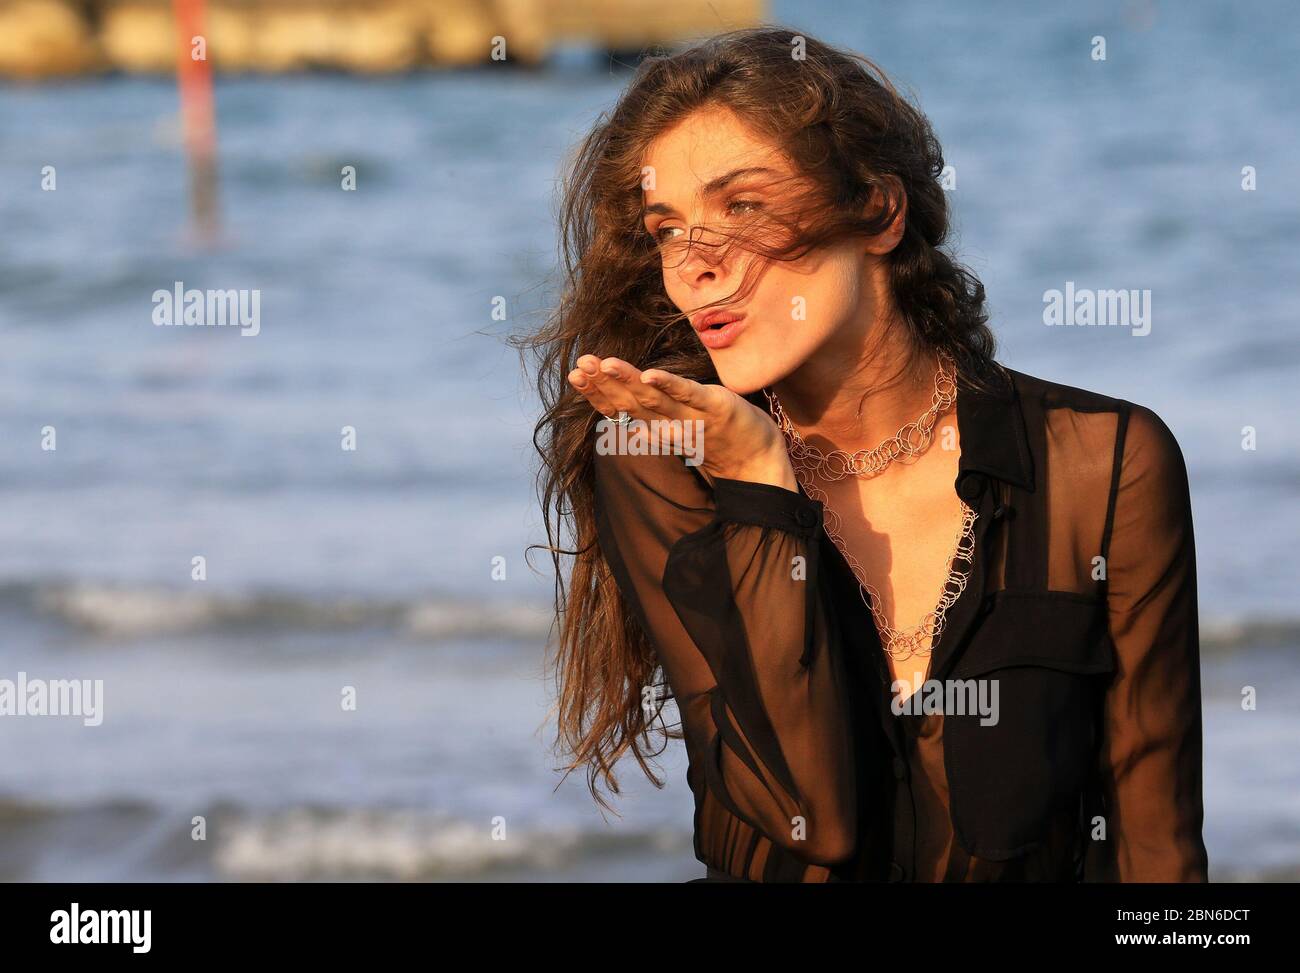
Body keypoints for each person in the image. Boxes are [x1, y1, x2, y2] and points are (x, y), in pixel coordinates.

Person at [522, 27, 1208, 882]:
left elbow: (1160, 849)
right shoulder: (669, 462)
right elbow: (816, 824)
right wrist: (759, 485)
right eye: (668, 229)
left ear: (881, 212)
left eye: (740, 207)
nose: (691, 266)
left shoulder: (1104, 466)